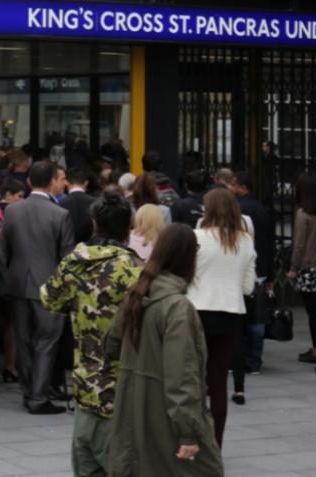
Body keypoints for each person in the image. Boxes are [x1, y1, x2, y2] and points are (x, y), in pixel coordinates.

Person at [105, 224, 224, 476]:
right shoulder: (177, 307)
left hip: (132, 412)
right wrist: (188, 433)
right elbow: (181, 375)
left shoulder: (138, 294)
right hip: (165, 418)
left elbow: (111, 344)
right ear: (188, 257)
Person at [40, 189, 141, 477]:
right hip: (122, 388)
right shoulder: (134, 268)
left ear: (94, 223)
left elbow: (49, 298)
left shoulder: (76, 260)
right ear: (129, 228)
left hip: (85, 383)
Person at [0, 161, 74, 414]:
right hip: (49, 285)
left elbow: (4, 250)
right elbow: (67, 257)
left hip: (17, 282)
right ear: (52, 181)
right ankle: (38, 395)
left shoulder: (12, 211)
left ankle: (28, 390)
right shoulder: (60, 214)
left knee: (23, 340)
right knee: (46, 340)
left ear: (29, 182)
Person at [189, 188, 255, 444]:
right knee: (218, 382)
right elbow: (248, 286)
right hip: (231, 312)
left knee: (193, 378)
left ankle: (190, 439)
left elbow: (187, 276)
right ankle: (216, 443)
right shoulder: (246, 240)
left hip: (198, 310)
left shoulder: (196, 237)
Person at [229, 171, 274, 376]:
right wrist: (270, 274)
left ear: (243, 188)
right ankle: (254, 361)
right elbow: (269, 243)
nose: (230, 188)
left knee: (238, 316)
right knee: (257, 318)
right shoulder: (263, 209)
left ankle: (237, 358)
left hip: (241, 268)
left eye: (233, 185)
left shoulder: (237, 209)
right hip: (260, 269)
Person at [287, 174, 316, 365]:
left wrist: (294, 268)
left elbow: (299, 245)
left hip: (308, 267)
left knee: (313, 311)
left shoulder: (303, 214)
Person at [59, 166, 97, 245]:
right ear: (86, 182)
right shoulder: (95, 203)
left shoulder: (60, 204)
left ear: (67, 182)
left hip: (67, 250)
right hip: (90, 249)